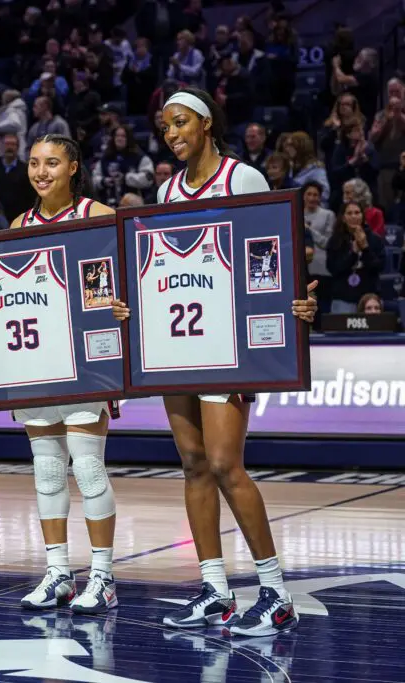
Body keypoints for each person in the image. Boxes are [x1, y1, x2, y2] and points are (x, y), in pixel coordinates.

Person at [110, 89, 318, 637]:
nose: (172, 134)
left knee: (226, 464)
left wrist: (298, 297)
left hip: (227, 343)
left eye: (180, 123)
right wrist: (132, 301)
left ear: (205, 123)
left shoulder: (242, 178)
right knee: (194, 464)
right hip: (176, 344)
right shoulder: (166, 189)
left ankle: (274, 593)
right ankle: (214, 591)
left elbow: (271, 250)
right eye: (165, 127)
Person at [4, 134, 120, 614]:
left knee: (88, 467)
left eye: (52, 162)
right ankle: (58, 573)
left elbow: (121, 279)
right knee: (48, 470)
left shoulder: (99, 216)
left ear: (74, 167)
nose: (41, 172)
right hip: (36, 359)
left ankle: (103, 576)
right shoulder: (18, 224)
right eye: (34, 163)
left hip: (85, 359)